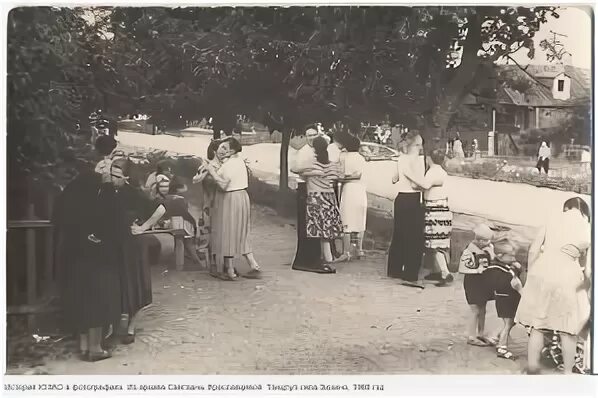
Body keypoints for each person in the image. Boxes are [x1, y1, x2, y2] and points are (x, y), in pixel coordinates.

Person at [515, 197, 591, 374]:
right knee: (568, 328)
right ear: (584, 213)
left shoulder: (551, 218)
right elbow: (588, 269)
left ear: (566, 209)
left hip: (542, 270)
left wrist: (532, 274)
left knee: (538, 324)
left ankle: (533, 368)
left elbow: (534, 249)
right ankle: (567, 374)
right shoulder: (588, 228)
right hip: (568, 272)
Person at [201, 137, 262, 280]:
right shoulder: (237, 161)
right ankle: (248, 266)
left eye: (224, 148)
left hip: (230, 197)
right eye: (220, 147)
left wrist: (211, 171)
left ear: (232, 151)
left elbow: (223, 185)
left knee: (228, 231)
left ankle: (230, 270)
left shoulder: (230, 165)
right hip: (241, 196)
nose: (220, 151)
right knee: (239, 231)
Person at [403, 149, 453, 286]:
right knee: (436, 242)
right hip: (441, 207)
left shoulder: (433, 172)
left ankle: (444, 272)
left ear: (430, 159)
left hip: (435, 209)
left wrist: (409, 175)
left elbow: (425, 185)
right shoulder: (441, 171)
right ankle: (437, 270)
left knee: (435, 243)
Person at [294, 136, 343, 271]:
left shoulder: (312, 164)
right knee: (326, 229)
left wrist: (312, 173)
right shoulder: (332, 165)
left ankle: (319, 259)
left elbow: (296, 169)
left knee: (315, 230)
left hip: (315, 197)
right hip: (329, 197)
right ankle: (328, 258)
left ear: (314, 148)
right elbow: (338, 176)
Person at [132, 175, 202, 266]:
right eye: (162, 186)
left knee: (188, 246)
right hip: (176, 221)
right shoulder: (159, 198)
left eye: (166, 186)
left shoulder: (170, 198)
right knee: (185, 247)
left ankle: (196, 264)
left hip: (185, 223)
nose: (164, 189)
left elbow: (160, 212)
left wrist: (143, 228)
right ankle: (193, 263)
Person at [387, 131, 426, 288]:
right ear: (415, 145)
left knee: (400, 234)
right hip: (410, 198)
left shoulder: (402, 159)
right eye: (419, 145)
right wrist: (424, 184)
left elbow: (394, 178)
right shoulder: (410, 160)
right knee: (413, 237)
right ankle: (410, 272)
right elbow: (413, 181)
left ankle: (395, 269)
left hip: (402, 198)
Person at [290, 128, 329, 273]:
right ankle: (305, 261)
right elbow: (295, 168)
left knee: (314, 224)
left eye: (314, 135)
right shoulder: (304, 151)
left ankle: (314, 259)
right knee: (307, 225)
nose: (312, 138)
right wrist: (313, 170)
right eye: (309, 136)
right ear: (305, 137)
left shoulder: (318, 150)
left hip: (315, 189)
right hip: (304, 188)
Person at [458, 224, 496, 347]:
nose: (488, 243)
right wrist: (476, 270)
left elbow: (492, 260)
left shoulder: (488, 248)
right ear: (479, 240)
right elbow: (462, 269)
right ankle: (471, 336)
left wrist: (491, 252)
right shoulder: (468, 251)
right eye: (486, 241)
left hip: (484, 282)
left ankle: (481, 333)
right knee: (475, 310)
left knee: (483, 309)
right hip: (473, 282)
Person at [485, 240, 523, 360]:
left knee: (512, 322)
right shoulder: (495, 269)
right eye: (511, 256)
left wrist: (517, 269)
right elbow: (498, 283)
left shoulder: (503, 266)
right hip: (505, 300)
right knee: (508, 324)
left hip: (510, 299)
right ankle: (502, 347)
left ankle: (495, 336)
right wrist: (513, 282)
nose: (514, 258)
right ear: (500, 256)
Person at [334, 130, 368, 261]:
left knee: (347, 219)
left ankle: (346, 251)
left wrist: (343, 178)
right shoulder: (361, 158)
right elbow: (360, 175)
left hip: (349, 189)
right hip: (360, 189)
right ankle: (359, 249)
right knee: (360, 219)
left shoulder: (343, 157)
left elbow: (340, 174)